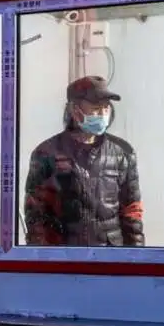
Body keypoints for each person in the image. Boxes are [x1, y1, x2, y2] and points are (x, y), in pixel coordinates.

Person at [23, 75, 144, 247]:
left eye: (106, 108)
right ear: (74, 110)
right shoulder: (46, 153)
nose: (102, 114)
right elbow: (36, 215)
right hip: (66, 258)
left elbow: (132, 212)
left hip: (111, 256)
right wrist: (43, 261)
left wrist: (136, 258)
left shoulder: (123, 152)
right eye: (95, 109)